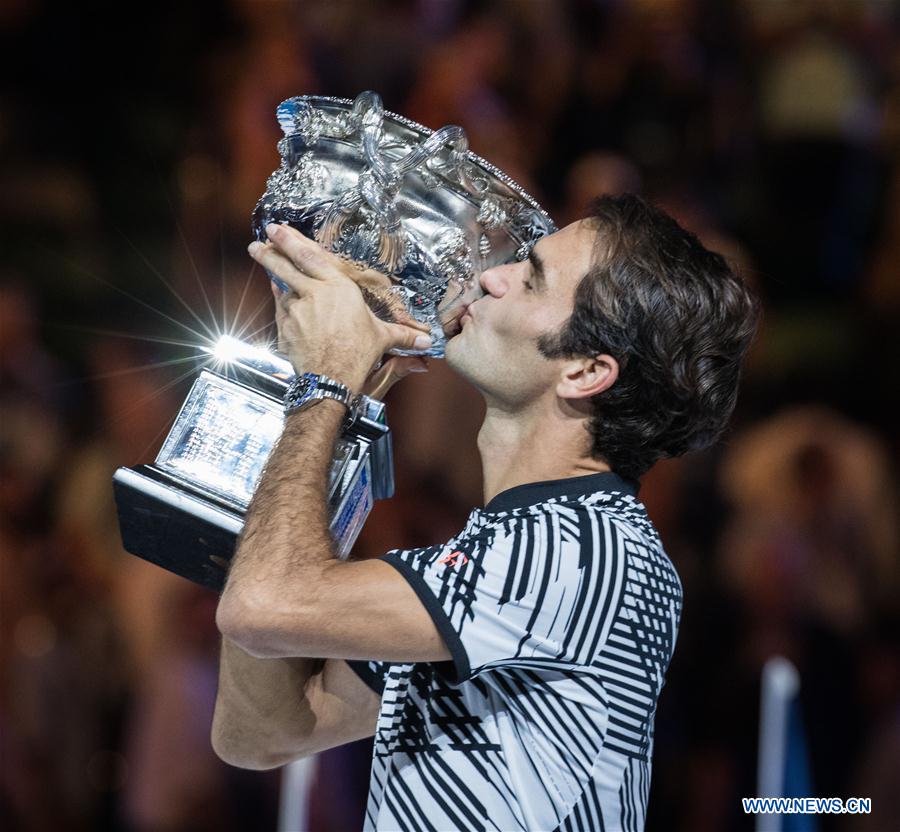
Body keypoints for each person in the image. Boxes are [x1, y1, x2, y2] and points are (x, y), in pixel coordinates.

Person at [212, 194, 759, 831]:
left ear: (585, 371)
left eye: (530, 279)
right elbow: (263, 732)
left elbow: (262, 605)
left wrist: (325, 383)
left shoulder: (578, 550)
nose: (490, 276)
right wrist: (325, 395)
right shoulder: (520, 551)